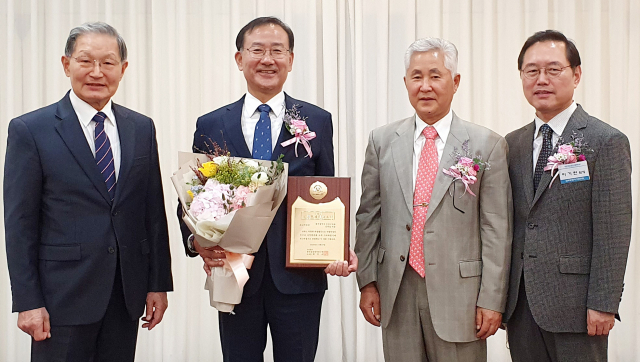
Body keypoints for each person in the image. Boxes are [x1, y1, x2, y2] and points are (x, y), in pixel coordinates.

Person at [178, 16, 357, 361]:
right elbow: (192, 199)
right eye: (257, 50)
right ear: (239, 58)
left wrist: (337, 247)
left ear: (291, 60)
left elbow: (327, 194)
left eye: (278, 51)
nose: (267, 60)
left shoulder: (316, 120)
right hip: (234, 274)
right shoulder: (212, 123)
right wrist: (197, 241)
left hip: (299, 280)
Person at [3, 22, 173, 362]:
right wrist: (28, 301)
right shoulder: (30, 130)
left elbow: (153, 210)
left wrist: (158, 283)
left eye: (108, 63)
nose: (97, 72)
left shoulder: (140, 127)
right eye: (85, 61)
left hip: (125, 292)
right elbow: (19, 223)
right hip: (60, 297)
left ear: (123, 69)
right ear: (66, 65)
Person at [354, 37, 512, 362]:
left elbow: (497, 230)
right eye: (416, 76)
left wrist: (492, 299)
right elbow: (368, 216)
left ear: (455, 82)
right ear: (406, 82)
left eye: (435, 76)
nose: (425, 86)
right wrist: (367, 281)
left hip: (462, 295)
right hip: (396, 289)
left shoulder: (487, 145)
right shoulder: (381, 141)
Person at [503, 30, 632, 362]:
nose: (541, 79)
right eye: (532, 70)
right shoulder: (511, 144)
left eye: (553, 69)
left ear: (576, 75)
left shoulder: (605, 141)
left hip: (578, 309)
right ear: (521, 77)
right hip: (522, 305)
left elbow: (613, 230)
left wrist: (603, 303)